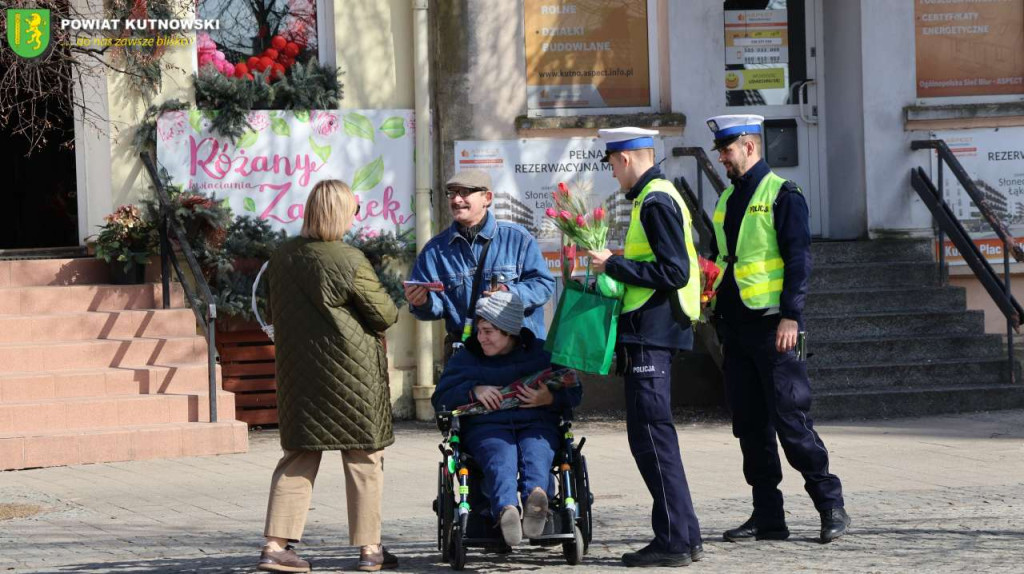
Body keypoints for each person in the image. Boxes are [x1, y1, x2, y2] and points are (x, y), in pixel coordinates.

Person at [705, 114, 851, 544]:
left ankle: (830, 506)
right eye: (719, 151)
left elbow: (799, 259)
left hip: (775, 328)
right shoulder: (728, 199)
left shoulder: (782, 194)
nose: (721, 158)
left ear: (750, 147)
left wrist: (792, 315)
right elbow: (724, 259)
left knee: (791, 419)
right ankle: (768, 516)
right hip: (735, 326)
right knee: (749, 426)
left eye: (727, 150)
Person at [258, 180, 400, 573]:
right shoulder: (348, 258)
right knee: (364, 458)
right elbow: (385, 313)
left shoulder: (282, 256)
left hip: (300, 375)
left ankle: (274, 546)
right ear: (341, 214)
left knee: (298, 456)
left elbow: (274, 312)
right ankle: (371, 551)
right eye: (353, 210)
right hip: (351, 373)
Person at [585, 127, 704, 568]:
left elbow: (673, 272)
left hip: (651, 336)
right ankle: (685, 535)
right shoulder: (655, 197)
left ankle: (673, 540)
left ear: (629, 159)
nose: (613, 173)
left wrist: (613, 263)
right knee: (656, 438)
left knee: (651, 438)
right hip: (651, 333)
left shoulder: (655, 200)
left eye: (612, 164)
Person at [431, 291, 582, 547]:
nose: (481, 338)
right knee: (500, 457)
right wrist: (473, 390)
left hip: (537, 424)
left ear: (509, 331)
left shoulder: (541, 354)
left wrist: (549, 399)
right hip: (488, 427)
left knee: (537, 453)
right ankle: (506, 511)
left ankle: (536, 502)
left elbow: (574, 389)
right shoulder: (467, 358)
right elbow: (441, 397)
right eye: (479, 331)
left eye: (488, 331)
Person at [405, 169, 555, 362]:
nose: (456, 200)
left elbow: (543, 285)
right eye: (452, 193)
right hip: (468, 355)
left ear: (487, 198)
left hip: (518, 353)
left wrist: (510, 293)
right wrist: (422, 303)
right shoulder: (434, 250)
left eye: (465, 192)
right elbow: (437, 307)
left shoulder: (517, 238)